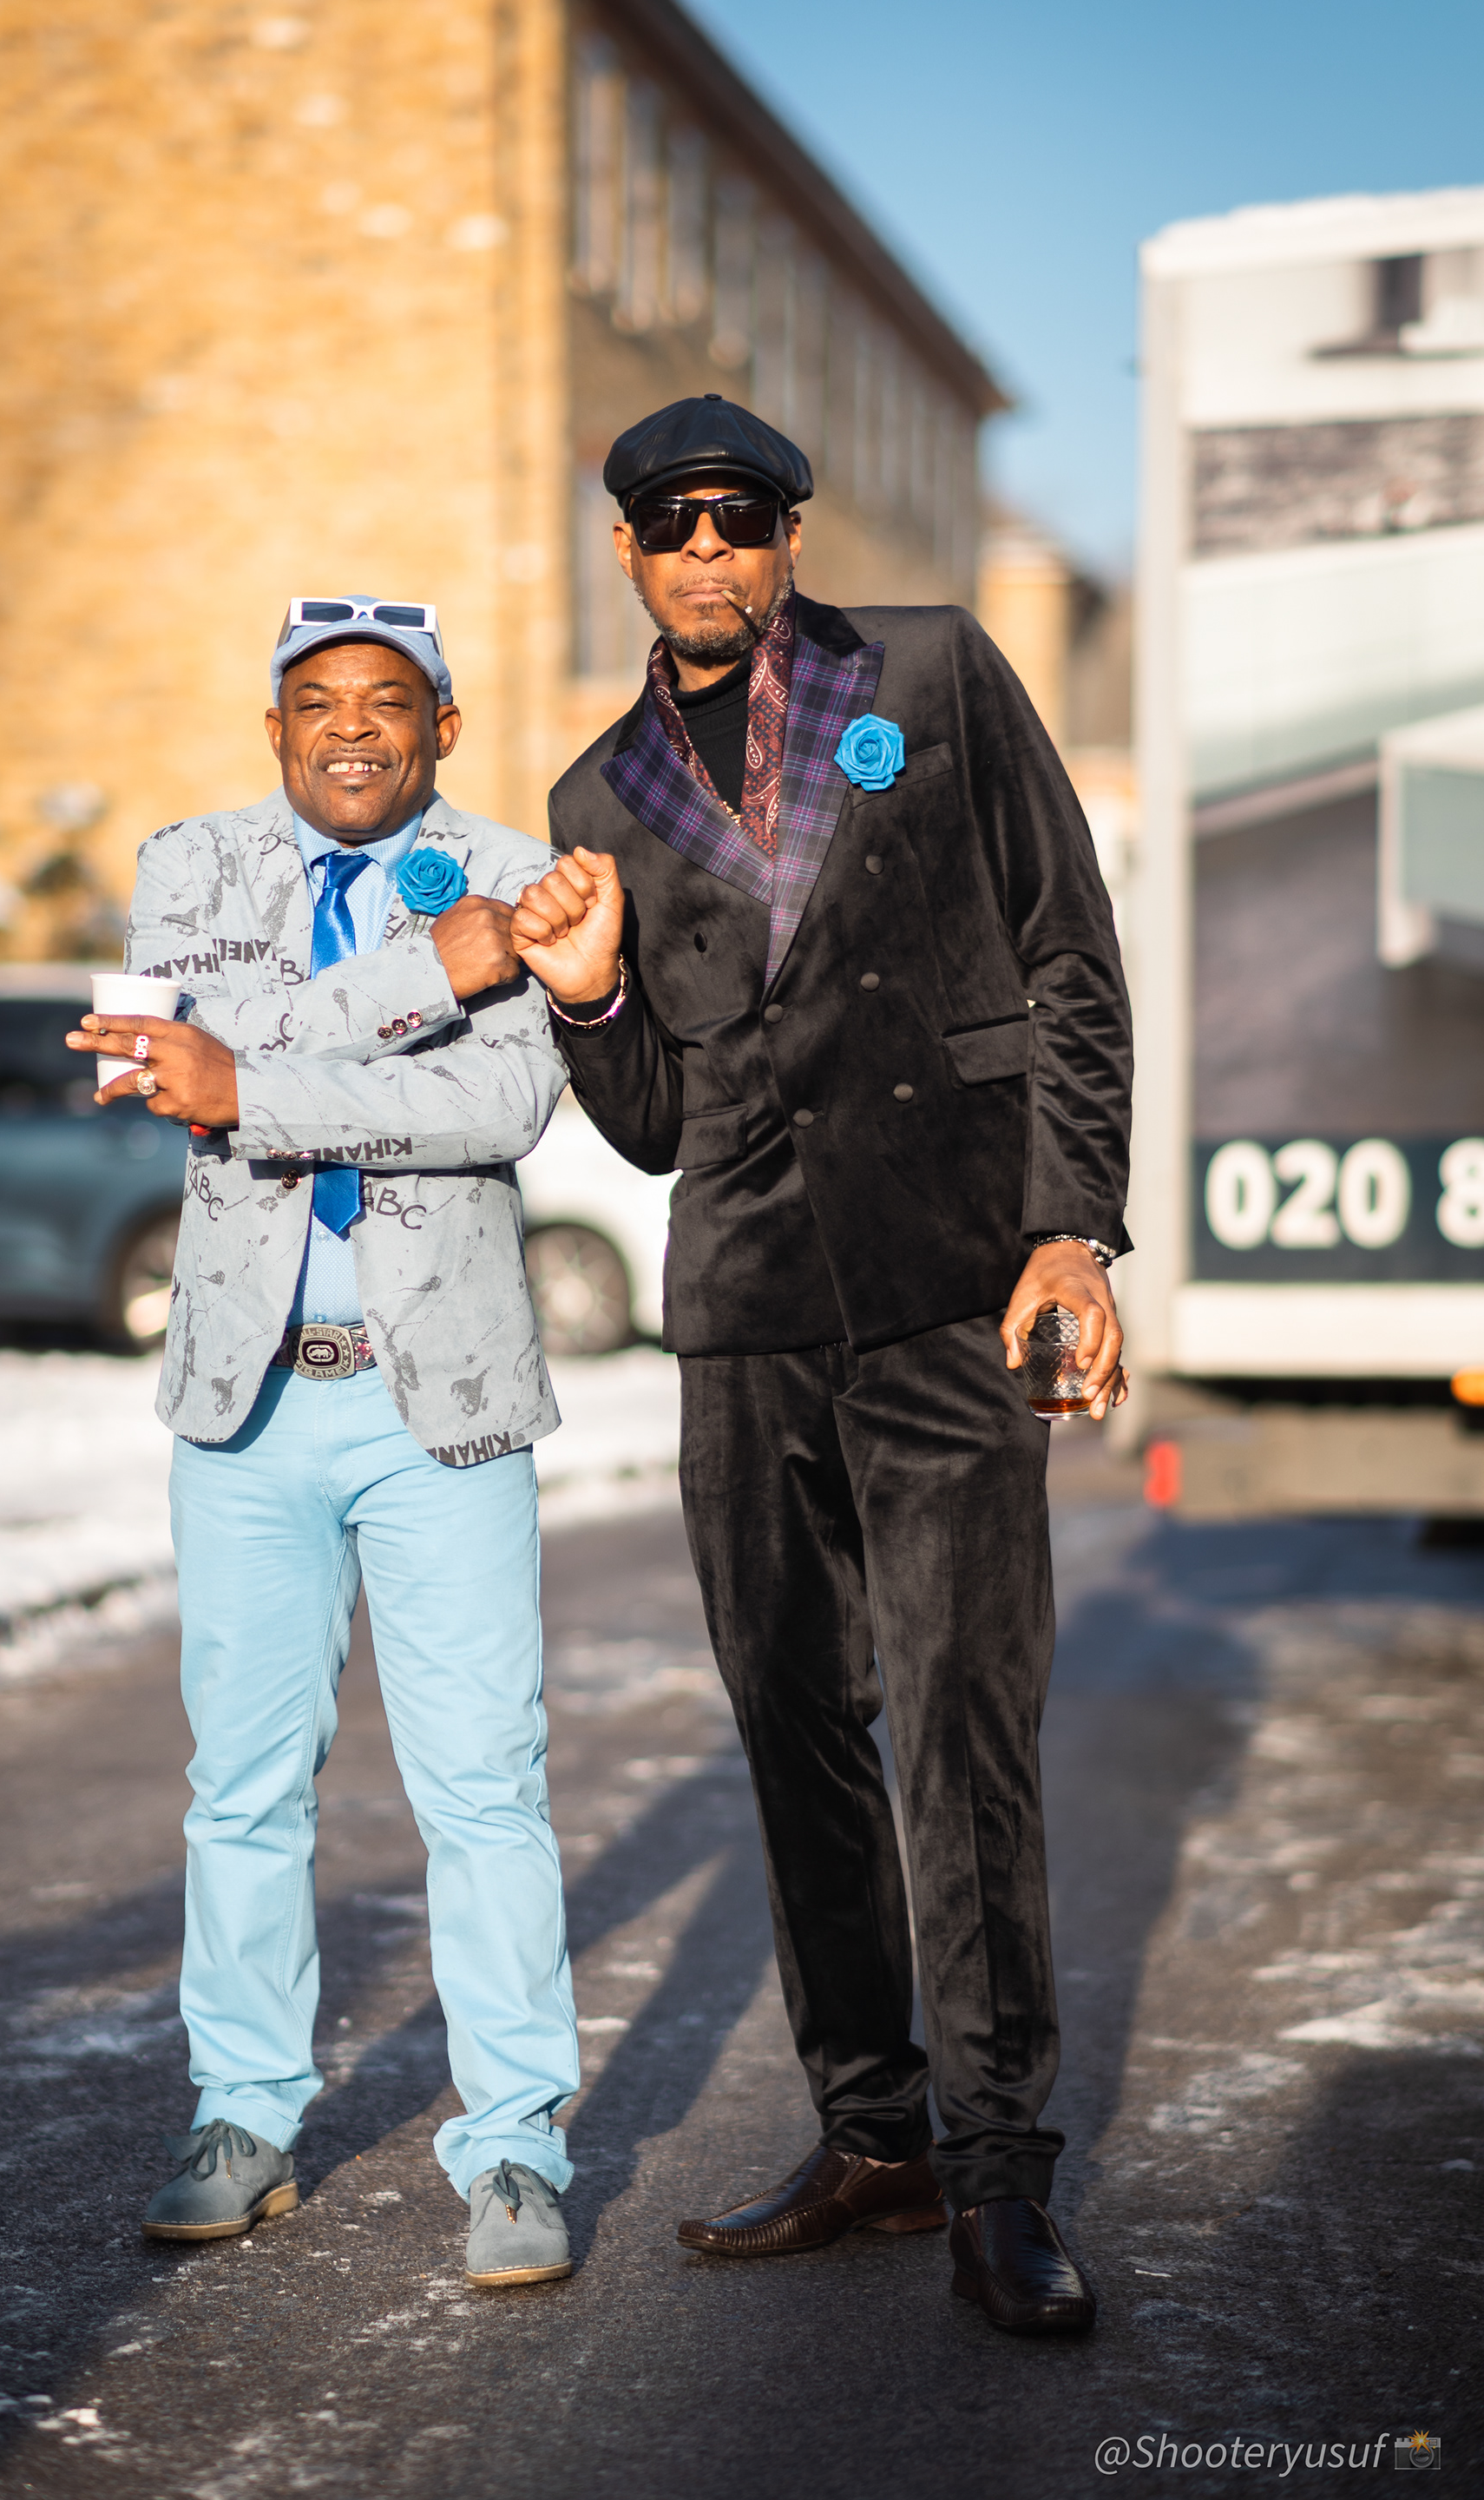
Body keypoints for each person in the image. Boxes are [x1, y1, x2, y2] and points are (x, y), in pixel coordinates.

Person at [510, 398, 1133, 2335]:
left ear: (790, 534)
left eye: (740, 519)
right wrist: (587, 995)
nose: (706, 551)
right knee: (795, 1728)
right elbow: (648, 1126)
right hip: (749, 1311)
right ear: (628, 551)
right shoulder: (599, 792)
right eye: (670, 525)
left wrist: (1069, 1227)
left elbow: (1068, 952)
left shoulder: (928, 674)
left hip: (953, 1285)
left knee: (961, 1726)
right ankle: (874, 2136)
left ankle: (998, 2170)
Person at [67, 597, 579, 2289]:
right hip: (248, 1398)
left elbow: (501, 1107)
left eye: (388, 699)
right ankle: (243, 2116)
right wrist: (432, 973)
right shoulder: (189, 866)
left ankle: (516, 2146)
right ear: (275, 729)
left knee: (485, 1787)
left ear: (445, 726)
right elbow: (170, 1077)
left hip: (445, 1401)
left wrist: (253, 1078)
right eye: (318, 701)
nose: (352, 725)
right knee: (242, 1787)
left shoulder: (516, 868)